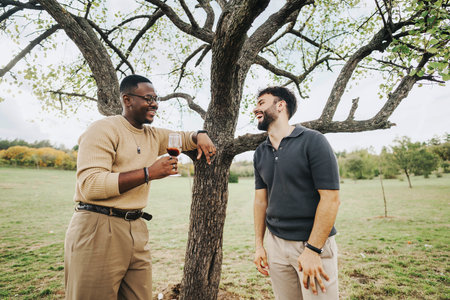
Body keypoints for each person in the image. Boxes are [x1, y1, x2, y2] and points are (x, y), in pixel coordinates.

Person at [64, 74, 216, 300]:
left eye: (156, 99)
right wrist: (148, 173)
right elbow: (90, 185)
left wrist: (200, 134)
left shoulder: (152, 135)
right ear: (127, 100)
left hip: (136, 227)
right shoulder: (103, 129)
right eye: (148, 98)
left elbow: (183, 138)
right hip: (98, 227)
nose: (154, 103)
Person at [252, 86, 340, 300]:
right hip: (275, 245)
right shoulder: (260, 152)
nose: (256, 109)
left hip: (311, 244)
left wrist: (312, 250)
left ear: (280, 105)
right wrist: (259, 246)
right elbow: (260, 201)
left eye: (262, 102)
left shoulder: (313, 141)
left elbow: (331, 199)